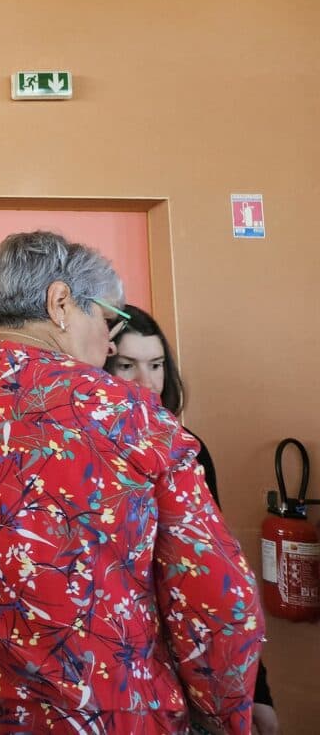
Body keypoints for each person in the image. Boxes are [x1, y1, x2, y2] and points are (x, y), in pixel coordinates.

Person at [0, 230, 263, 734]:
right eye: (108, 319)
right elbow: (217, 599)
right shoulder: (128, 412)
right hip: (100, 715)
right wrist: (224, 713)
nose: (111, 340)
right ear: (60, 302)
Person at [105, 304, 279, 735]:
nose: (146, 382)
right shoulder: (83, 456)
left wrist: (257, 691)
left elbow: (217, 572)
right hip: (118, 667)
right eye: (127, 365)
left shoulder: (188, 451)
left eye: (157, 365)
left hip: (192, 668)